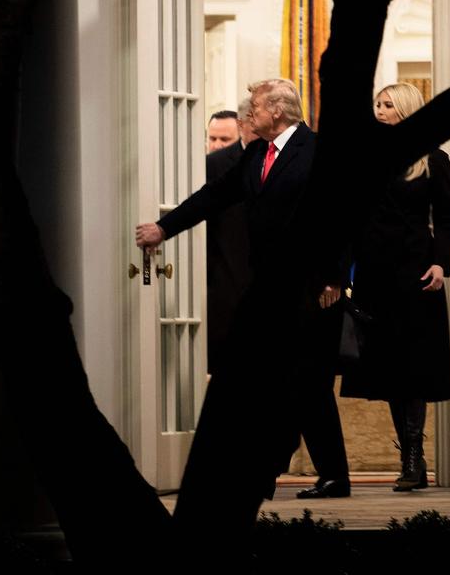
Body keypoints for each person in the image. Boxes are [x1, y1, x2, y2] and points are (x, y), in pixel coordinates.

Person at [135, 79, 351, 500]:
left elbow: (341, 216)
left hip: (311, 289)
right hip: (266, 289)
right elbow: (212, 197)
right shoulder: (256, 153)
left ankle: (332, 476)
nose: (247, 115)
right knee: (268, 380)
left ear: (278, 110)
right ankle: (264, 471)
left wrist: (334, 276)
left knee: (309, 383)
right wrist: (164, 228)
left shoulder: (319, 150)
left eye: (253, 108)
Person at [340, 82, 450, 492]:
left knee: (414, 367)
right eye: (377, 103)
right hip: (374, 275)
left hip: (416, 274)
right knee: (388, 367)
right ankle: (408, 457)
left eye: (387, 105)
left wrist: (441, 261)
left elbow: (445, 219)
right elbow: (349, 223)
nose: (379, 110)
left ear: (406, 110)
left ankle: (414, 456)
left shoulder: (433, 160)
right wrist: (344, 275)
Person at [204, 98, 257, 372]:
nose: (216, 145)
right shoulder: (205, 167)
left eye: (224, 139)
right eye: (211, 138)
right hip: (217, 283)